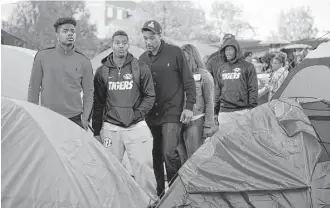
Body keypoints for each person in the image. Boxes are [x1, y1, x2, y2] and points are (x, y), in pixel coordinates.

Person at [92, 30, 158, 203]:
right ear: (112, 45)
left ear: (128, 45)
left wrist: (136, 114)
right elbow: (98, 103)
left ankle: (150, 201)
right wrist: (97, 131)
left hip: (136, 126)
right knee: (109, 168)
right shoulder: (102, 72)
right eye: (117, 42)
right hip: (111, 128)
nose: (120, 46)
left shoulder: (140, 68)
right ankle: (110, 202)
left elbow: (150, 96)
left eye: (124, 43)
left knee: (143, 167)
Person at [139, 20, 196, 198]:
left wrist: (189, 107)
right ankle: (160, 194)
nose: (148, 41)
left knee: (169, 152)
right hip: (150, 115)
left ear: (160, 35)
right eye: (145, 38)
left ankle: (176, 193)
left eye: (152, 37)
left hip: (172, 112)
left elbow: (189, 81)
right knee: (154, 155)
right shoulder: (142, 59)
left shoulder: (175, 52)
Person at [28, 17, 93, 129]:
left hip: (75, 119)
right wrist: (33, 115)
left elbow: (89, 93)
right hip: (47, 117)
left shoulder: (84, 61)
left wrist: (85, 118)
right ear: (57, 36)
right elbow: (33, 88)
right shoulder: (42, 57)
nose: (70, 34)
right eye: (65, 31)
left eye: (72, 31)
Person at [177, 44, 217, 163]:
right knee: (183, 161)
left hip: (196, 121)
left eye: (185, 56)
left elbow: (210, 101)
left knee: (195, 160)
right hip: (179, 123)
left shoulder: (204, 75)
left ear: (192, 56)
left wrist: (208, 125)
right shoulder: (178, 75)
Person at [214, 36, 258, 127]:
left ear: (237, 51)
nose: (227, 52)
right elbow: (217, 90)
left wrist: (252, 109)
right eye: (226, 50)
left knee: (242, 140)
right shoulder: (221, 68)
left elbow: (253, 88)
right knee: (224, 140)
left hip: (242, 111)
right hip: (224, 112)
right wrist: (215, 111)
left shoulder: (248, 67)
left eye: (230, 49)